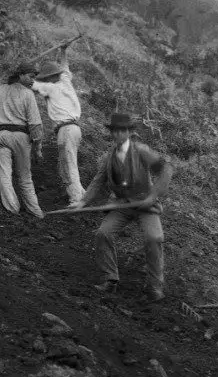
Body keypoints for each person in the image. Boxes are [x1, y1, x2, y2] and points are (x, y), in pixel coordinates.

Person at [72, 112, 172, 301]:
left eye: (121, 131)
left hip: (145, 203)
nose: (117, 134)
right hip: (121, 205)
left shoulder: (141, 151)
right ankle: (110, 280)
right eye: (115, 131)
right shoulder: (110, 156)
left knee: (154, 237)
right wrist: (83, 202)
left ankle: (155, 286)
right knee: (103, 233)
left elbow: (166, 169)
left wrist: (153, 195)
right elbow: (98, 180)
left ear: (128, 132)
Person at [0, 62, 44, 217]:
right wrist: (38, 148)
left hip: (1, 136)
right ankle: (35, 211)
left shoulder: (0, 90)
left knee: (5, 175)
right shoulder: (27, 94)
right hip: (20, 137)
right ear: (21, 75)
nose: (32, 81)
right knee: (25, 177)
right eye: (31, 76)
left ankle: (12, 209)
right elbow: (35, 123)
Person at [31, 49, 85, 205]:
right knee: (68, 163)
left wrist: (18, 73)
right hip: (74, 129)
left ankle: (76, 198)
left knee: (68, 164)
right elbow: (66, 67)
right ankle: (81, 193)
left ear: (49, 77)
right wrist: (64, 51)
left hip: (66, 129)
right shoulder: (65, 81)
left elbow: (30, 84)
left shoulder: (51, 88)